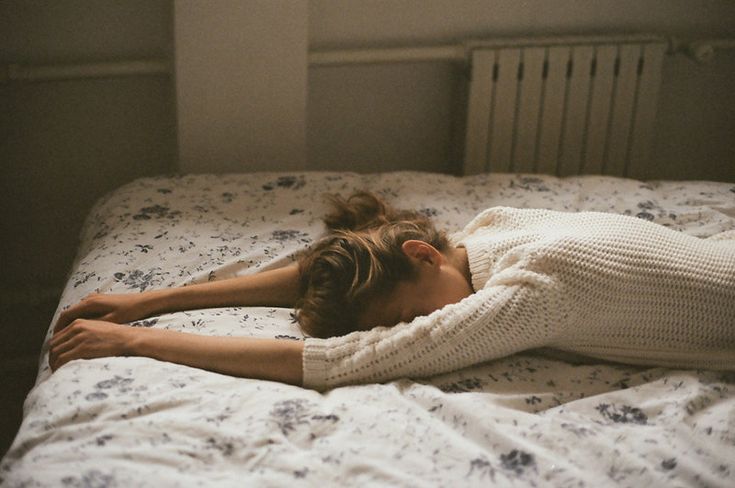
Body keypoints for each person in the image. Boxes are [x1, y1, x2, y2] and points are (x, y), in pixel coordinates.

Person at [49, 192, 735, 390]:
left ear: (420, 255)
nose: (415, 326)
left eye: (407, 312)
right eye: (401, 320)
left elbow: (343, 365)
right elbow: (328, 266)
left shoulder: (535, 289)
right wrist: (149, 298)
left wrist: (133, 340)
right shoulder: (484, 235)